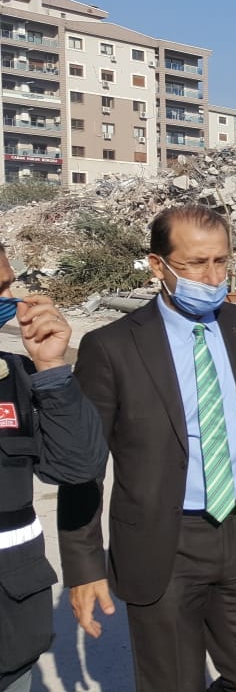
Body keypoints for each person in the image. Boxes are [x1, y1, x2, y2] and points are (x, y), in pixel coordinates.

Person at [57, 205, 236, 692]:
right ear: (158, 266)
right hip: (164, 543)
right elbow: (84, 466)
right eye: (196, 264)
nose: (213, 276)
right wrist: (83, 567)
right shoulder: (112, 347)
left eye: (222, 262)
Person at [0, 245, 106, 692]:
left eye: (6, 286)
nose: (11, 299)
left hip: (11, 630)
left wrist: (51, 368)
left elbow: (77, 466)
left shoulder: (19, 377)